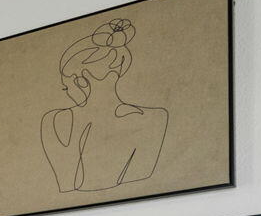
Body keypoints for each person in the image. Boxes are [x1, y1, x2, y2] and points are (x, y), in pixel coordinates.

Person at [41, 17, 169, 193]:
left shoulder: (54, 120)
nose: (67, 93)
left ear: (82, 80)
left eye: (66, 87)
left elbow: (67, 189)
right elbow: (138, 181)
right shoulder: (155, 118)